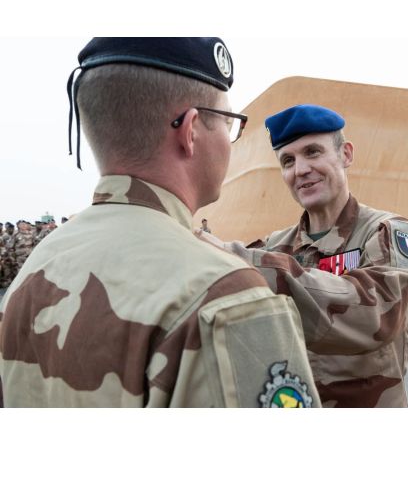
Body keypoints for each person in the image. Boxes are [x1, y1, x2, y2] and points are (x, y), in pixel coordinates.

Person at [0, 38, 319, 408]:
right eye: (230, 123)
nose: (231, 143)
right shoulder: (226, 296)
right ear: (191, 130)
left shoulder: (38, 267)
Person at [209, 104, 408, 407]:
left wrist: (230, 258)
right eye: (288, 160)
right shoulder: (275, 246)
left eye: (312, 152)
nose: (300, 170)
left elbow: (376, 316)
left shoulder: (388, 232)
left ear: (346, 154)